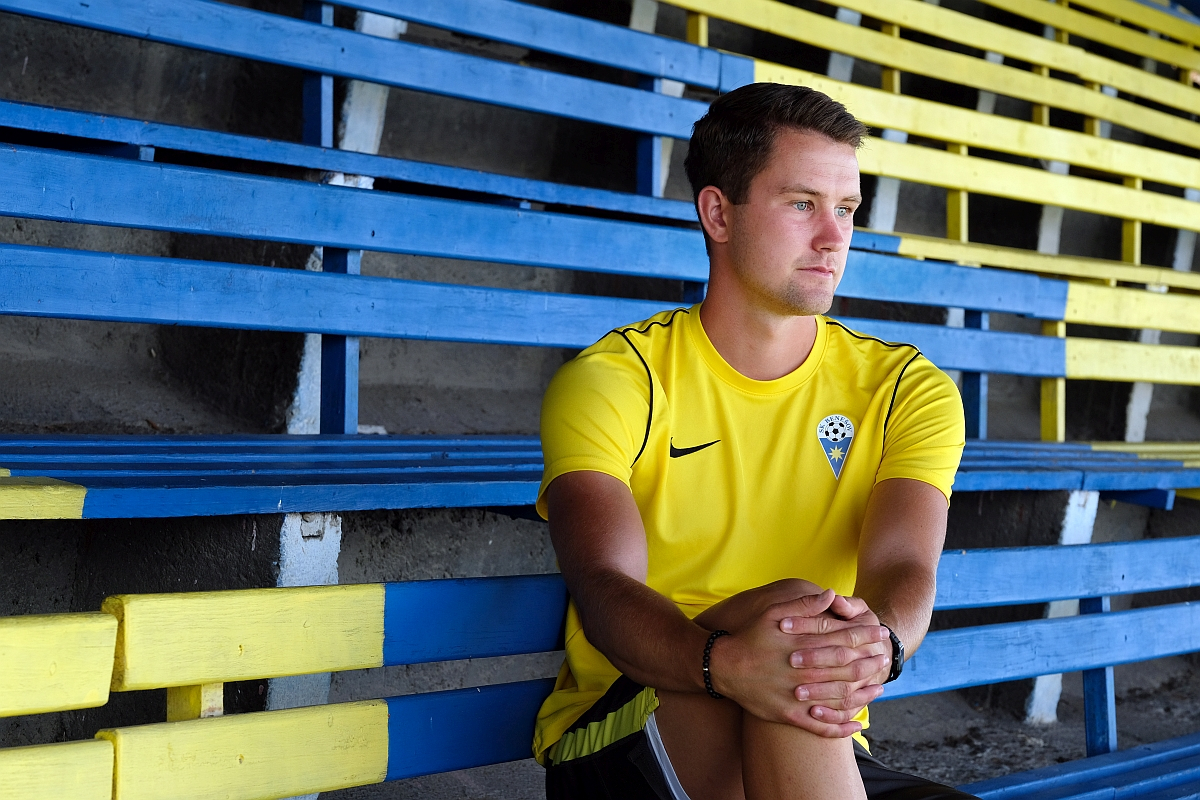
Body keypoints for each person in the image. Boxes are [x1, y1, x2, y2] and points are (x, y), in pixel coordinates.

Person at [532, 82, 972, 800]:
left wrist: (882, 642)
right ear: (718, 213)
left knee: (807, 635)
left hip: (816, 732)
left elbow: (903, 566)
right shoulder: (617, 379)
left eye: (846, 209)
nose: (834, 237)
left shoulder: (906, 389)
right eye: (802, 204)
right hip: (629, 724)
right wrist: (726, 665)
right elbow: (605, 587)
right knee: (803, 615)